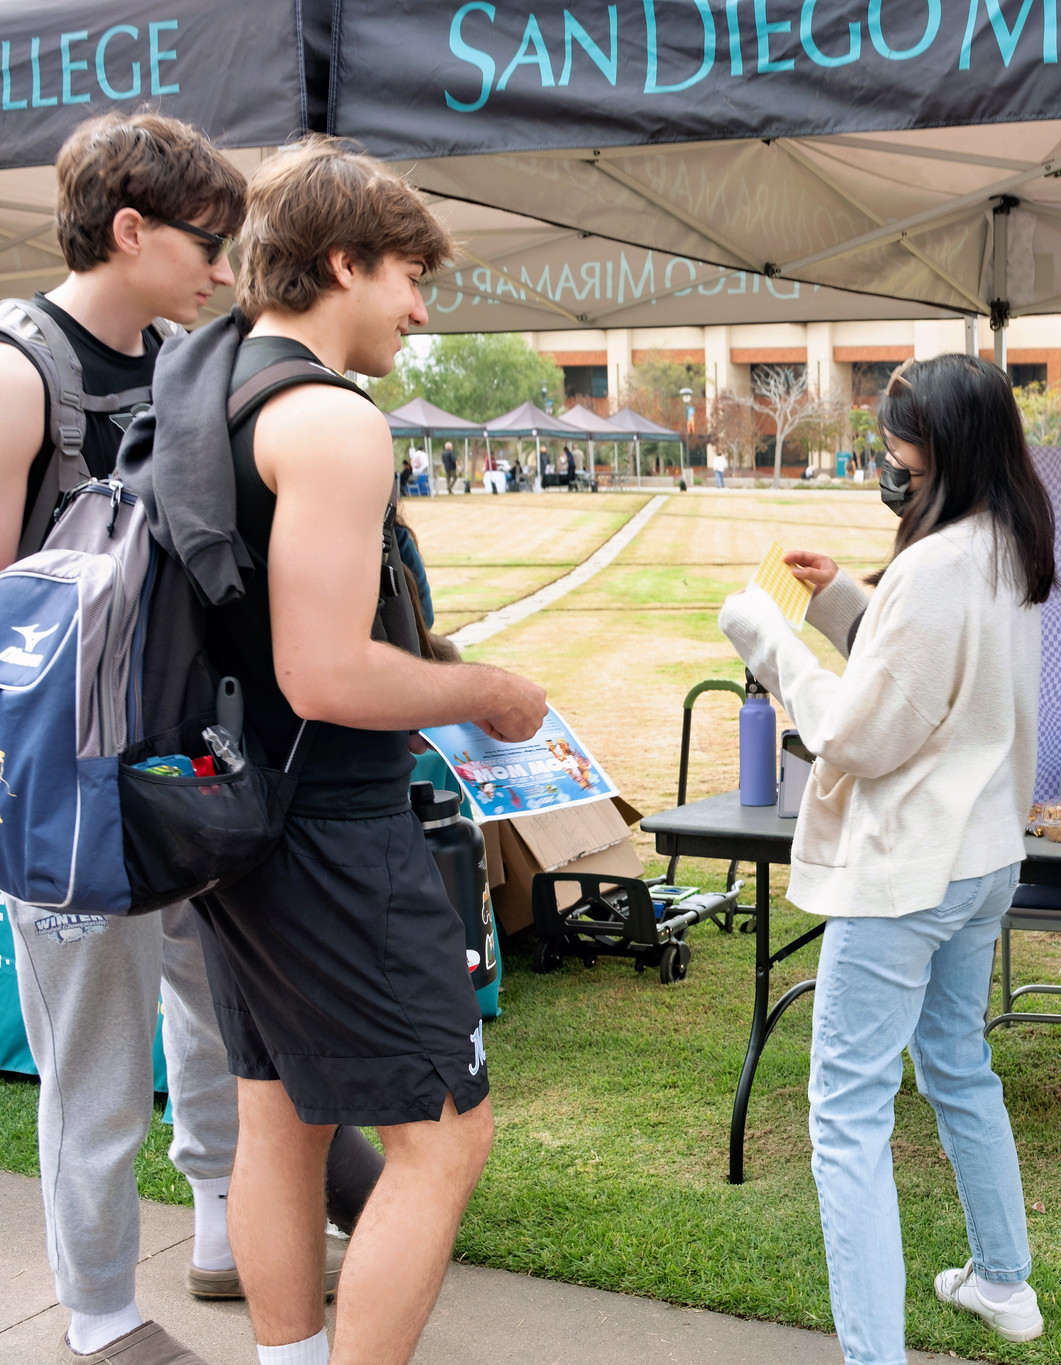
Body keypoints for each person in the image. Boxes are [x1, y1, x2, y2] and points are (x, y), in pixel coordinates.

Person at [194, 136, 548, 1365]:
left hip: (229, 817)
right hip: (331, 826)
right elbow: (325, 671)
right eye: (409, 276)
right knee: (445, 1136)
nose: (419, 307)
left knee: (278, 1115)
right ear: (343, 261)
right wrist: (488, 690)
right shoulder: (333, 421)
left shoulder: (209, 384)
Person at [717, 355, 1057, 1365]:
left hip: (910, 868)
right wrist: (837, 604)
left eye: (897, 439)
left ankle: (874, 1352)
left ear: (941, 449)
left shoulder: (939, 563)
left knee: (847, 1115)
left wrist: (771, 641)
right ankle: (1002, 1279)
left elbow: (858, 733)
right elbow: (934, 668)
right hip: (982, 857)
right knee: (957, 1063)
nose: (886, 457)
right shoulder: (1007, 545)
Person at [0, 111, 262, 1365]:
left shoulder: (184, 364)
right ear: (131, 229)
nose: (224, 269)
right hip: (68, 784)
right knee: (96, 1062)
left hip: (180, 761)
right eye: (209, 243)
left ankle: (220, 1230)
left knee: (213, 1010)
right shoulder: (17, 370)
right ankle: (99, 1315)